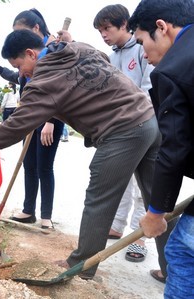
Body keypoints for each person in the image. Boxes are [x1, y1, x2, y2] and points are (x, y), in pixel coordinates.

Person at [0, 29, 171, 280]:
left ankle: (81, 269)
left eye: (20, 66)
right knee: (159, 204)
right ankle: (175, 270)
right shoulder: (78, 47)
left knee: (99, 200)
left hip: (122, 131)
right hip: (148, 120)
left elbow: (16, 125)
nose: (22, 73)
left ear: (31, 53)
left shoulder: (44, 81)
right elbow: (102, 57)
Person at [129, 1, 194, 297]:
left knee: (182, 249)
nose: (144, 54)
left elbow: (174, 149)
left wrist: (156, 212)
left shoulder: (173, 69)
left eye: (142, 42)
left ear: (162, 27)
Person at [0, 9, 64, 229]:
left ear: (35, 29)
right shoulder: (28, 61)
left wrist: (50, 120)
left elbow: (57, 90)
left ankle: (46, 215)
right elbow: (18, 76)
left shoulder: (54, 51)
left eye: (20, 33)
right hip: (31, 115)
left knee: (44, 166)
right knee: (28, 163)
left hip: (50, 118)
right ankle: (28, 210)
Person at [93, 4, 156, 266]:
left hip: (144, 123)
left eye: (107, 28)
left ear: (123, 24)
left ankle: (139, 237)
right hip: (119, 126)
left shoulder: (143, 49)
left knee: (144, 185)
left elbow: (150, 88)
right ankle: (117, 225)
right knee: (123, 179)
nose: (104, 35)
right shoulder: (110, 56)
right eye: (100, 31)